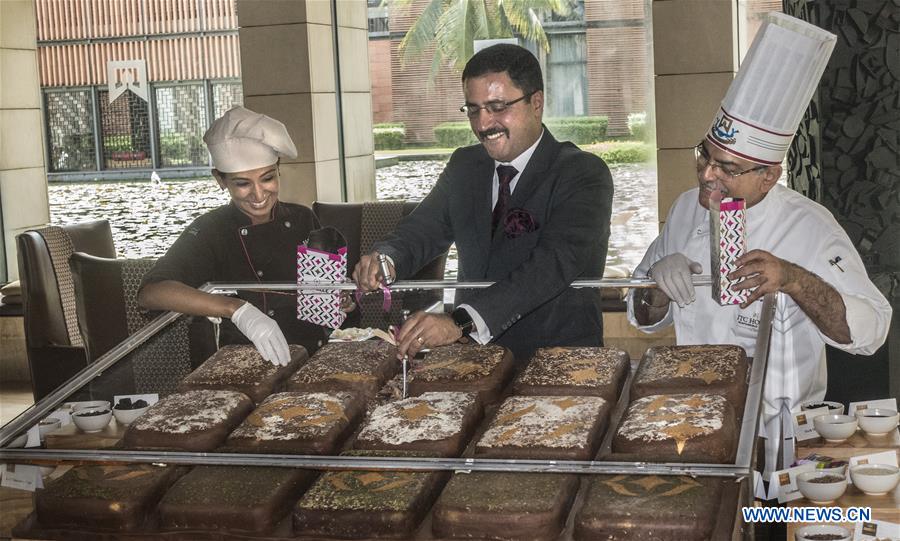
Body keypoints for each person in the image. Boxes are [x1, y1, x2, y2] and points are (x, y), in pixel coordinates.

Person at [627, 13, 892, 475]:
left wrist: (793, 279)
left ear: (769, 175)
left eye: (728, 168)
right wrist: (655, 286)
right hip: (696, 424)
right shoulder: (687, 207)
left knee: (767, 511)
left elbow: (871, 333)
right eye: (704, 156)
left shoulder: (810, 226)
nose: (708, 175)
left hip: (784, 436)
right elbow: (643, 315)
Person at [353, 43, 614, 360]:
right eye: (473, 109)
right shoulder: (465, 166)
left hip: (560, 361)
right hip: (475, 363)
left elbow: (551, 267)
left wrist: (461, 322)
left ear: (536, 103)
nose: (482, 124)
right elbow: (422, 229)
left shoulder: (582, 173)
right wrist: (386, 258)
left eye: (497, 107)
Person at [138, 106, 327, 366]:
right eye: (242, 183)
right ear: (220, 180)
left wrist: (340, 300)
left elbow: (324, 293)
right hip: (241, 364)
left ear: (278, 169)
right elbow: (151, 292)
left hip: (311, 358)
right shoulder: (210, 230)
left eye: (267, 178)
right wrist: (236, 309)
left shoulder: (303, 218)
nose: (258, 194)